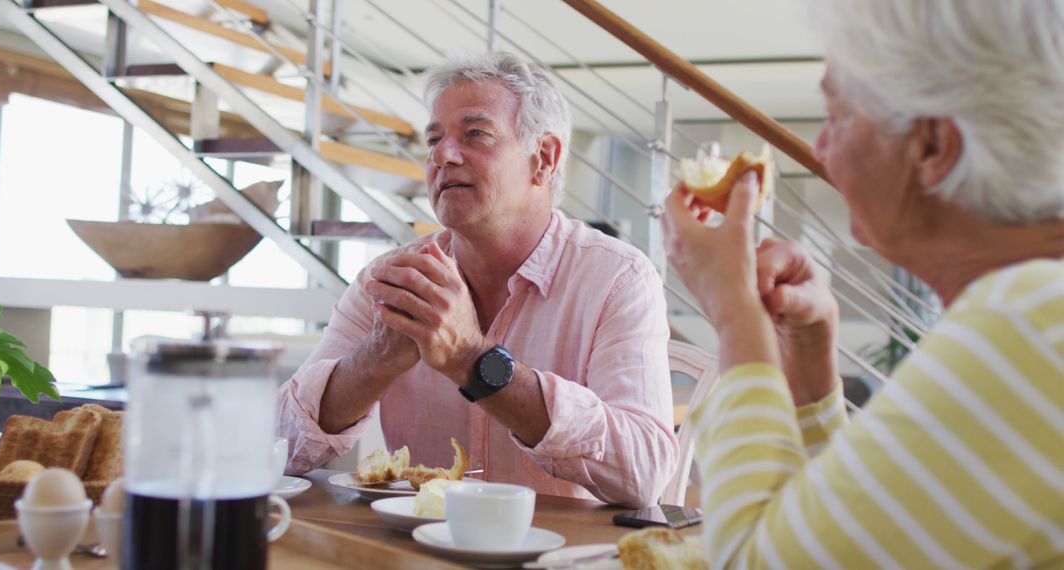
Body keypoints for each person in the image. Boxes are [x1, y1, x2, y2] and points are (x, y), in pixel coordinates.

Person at [663, 0, 1064, 566]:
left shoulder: (1027, 327)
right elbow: (850, 542)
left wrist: (733, 315)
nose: (821, 149)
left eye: (837, 116)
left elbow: (755, 561)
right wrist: (809, 372)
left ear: (931, 147)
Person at [277, 51, 676, 507]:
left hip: (563, 554)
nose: (442, 155)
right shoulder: (390, 280)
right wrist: (375, 360)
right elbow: (276, 449)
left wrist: (473, 359)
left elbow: (644, 474)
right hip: (418, 550)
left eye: (475, 135)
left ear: (543, 159)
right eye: (433, 140)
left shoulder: (617, 278)